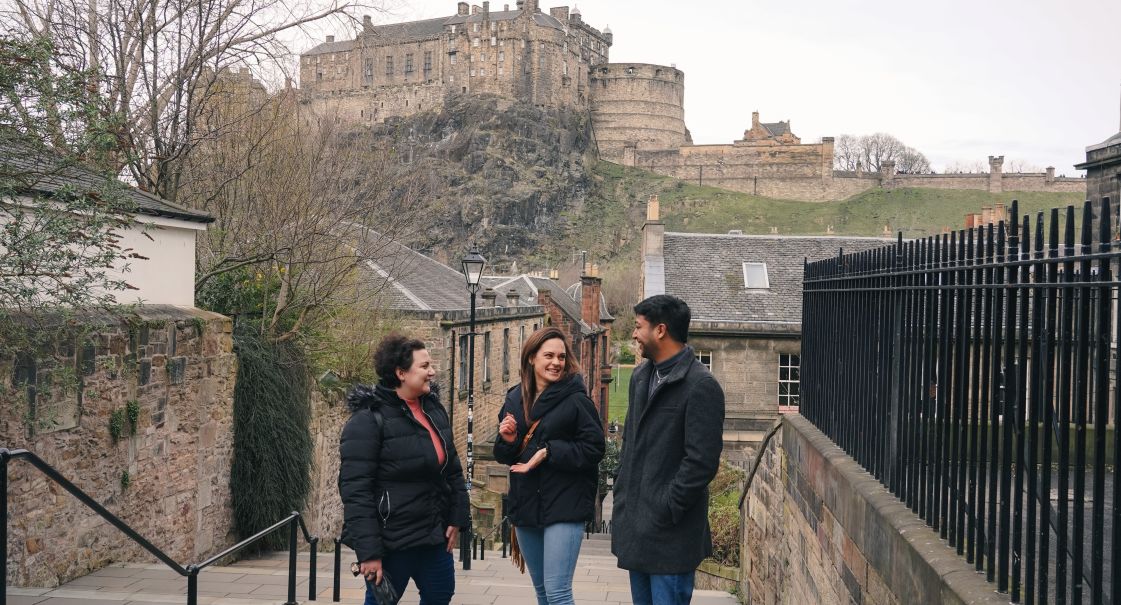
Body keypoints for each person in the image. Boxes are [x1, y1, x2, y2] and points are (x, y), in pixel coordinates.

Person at [611, 294, 725, 605]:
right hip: (637, 530)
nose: (634, 334)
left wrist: (667, 505)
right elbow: (630, 445)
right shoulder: (640, 377)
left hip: (671, 535)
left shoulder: (701, 386)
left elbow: (701, 462)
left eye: (638, 327)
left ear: (660, 330)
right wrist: (624, 492)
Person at [339, 334, 470, 605]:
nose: (432, 372)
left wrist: (456, 518)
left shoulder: (433, 409)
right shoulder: (367, 421)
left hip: (433, 535)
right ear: (400, 373)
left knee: (440, 594)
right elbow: (356, 492)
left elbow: (453, 470)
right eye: (424, 366)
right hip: (392, 541)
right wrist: (369, 553)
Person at [493, 326, 606, 605]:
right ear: (531, 358)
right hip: (527, 504)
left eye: (561, 357)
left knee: (557, 593)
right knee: (542, 592)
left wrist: (549, 452)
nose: (556, 362)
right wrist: (507, 439)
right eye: (549, 356)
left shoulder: (577, 400)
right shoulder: (514, 398)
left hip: (564, 506)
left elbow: (594, 449)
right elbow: (506, 456)